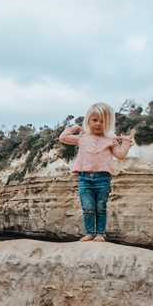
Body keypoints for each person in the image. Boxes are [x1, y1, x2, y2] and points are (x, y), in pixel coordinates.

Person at [59, 102, 133, 242]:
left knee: (100, 207)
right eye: (95, 120)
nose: (99, 124)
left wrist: (126, 142)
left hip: (103, 179)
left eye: (103, 121)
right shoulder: (82, 137)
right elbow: (62, 138)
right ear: (88, 120)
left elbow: (120, 155)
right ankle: (90, 232)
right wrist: (74, 127)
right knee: (87, 207)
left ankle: (100, 234)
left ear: (109, 123)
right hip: (84, 178)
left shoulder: (110, 139)